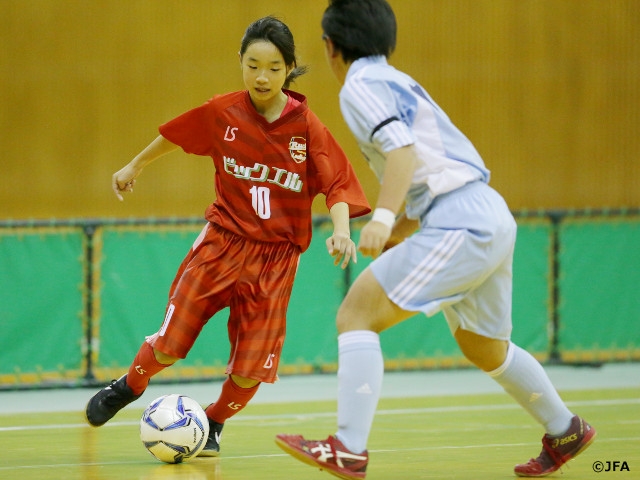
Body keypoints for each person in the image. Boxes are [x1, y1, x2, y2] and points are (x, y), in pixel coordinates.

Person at [275, 1, 596, 478]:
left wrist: (383, 218)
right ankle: (564, 428)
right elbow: (430, 169)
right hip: (486, 212)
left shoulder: (359, 85)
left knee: (356, 313)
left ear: (330, 46)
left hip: (461, 220)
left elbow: (402, 152)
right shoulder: (396, 79)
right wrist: (401, 229)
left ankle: (347, 447)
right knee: (483, 347)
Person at [85, 15, 370, 458]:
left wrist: (341, 231)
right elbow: (175, 136)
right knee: (170, 344)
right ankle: (130, 384)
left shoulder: (307, 128)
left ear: (290, 68)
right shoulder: (223, 112)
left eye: (274, 67)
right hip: (223, 243)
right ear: (240, 62)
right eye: (253, 64)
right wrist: (134, 165)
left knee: (250, 370)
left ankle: (214, 422)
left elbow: (337, 183)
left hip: (276, 260)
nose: (262, 76)